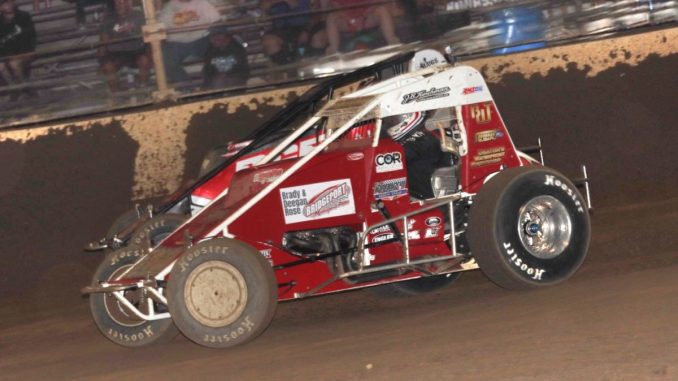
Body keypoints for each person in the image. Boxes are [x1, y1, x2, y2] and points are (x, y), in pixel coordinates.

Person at [383, 111, 449, 199]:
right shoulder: (415, 138)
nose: (391, 122)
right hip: (413, 193)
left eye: (393, 119)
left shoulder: (426, 139)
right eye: (390, 120)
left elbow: (404, 154)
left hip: (424, 198)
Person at [159, 0, 221, 83]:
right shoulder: (169, 7)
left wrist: (215, 37)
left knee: (218, 52)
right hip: (177, 43)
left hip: (202, 39)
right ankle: (187, 88)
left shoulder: (202, 3)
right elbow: (161, 25)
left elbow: (216, 20)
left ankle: (210, 84)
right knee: (164, 61)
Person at [98, 0, 151, 92]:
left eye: (123, 2)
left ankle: (143, 88)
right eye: (118, 3)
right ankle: (116, 94)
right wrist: (101, 60)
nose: (120, 5)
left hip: (136, 51)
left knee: (145, 60)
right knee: (107, 66)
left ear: (129, 3)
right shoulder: (108, 19)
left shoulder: (139, 15)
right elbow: (103, 41)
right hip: (115, 53)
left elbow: (147, 35)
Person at [324, 0, 400, 54]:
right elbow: (335, 6)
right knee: (331, 17)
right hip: (347, 21)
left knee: (382, 10)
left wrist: (363, 16)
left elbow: (375, 3)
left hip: (366, 19)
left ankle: (391, 38)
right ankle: (333, 47)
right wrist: (350, 20)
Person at [0, 0, 36, 100]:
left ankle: (26, 89)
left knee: (14, 64)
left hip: (24, 50)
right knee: (0, 66)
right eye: (4, 4)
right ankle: (13, 88)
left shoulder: (24, 16)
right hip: (7, 53)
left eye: (9, 3)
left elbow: (30, 36)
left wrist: (26, 52)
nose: (8, 6)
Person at [202, 25, 249, 89]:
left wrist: (227, 76)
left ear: (226, 37)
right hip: (216, 82)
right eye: (212, 37)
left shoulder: (237, 48)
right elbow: (207, 71)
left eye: (217, 37)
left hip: (236, 79)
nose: (213, 40)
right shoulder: (209, 51)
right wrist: (214, 78)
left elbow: (243, 70)